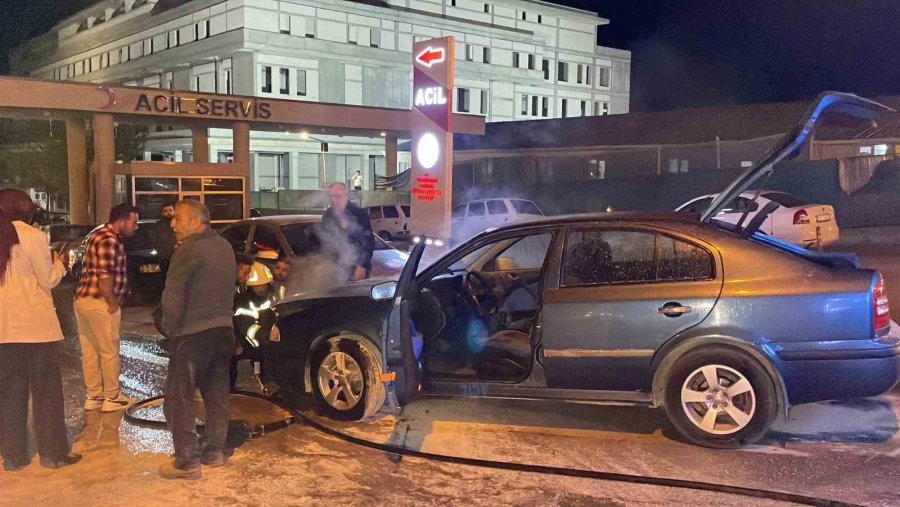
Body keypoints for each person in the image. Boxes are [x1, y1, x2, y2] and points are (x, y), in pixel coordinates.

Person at [0, 189, 82, 471]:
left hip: (5, 331)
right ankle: (52, 454)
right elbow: (47, 280)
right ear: (26, 210)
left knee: (10, 394)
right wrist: (60, 264)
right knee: (47, 392)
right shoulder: (32, 237)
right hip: (36, 330)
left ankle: (13, 456)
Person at [156, 200, 236, 480]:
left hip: (192, 336)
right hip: (223, 332)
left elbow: (173, 296)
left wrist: (168, 328)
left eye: (178, 218)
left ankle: (187, 461)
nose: (172, 224)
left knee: (179, 399)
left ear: (196, 221)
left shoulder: (188, 250)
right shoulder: (224, 247)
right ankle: (214, 451)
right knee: (216, 395)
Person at [74, 203, 139, 413]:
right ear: (121, 221)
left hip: (84, 300)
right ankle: (112, 397)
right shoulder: (109, 240)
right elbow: (105, 275)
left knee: (90, 351)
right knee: (109, 351)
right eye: (133, 222)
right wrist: (112, 302)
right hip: (99, 302)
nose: (135, 226)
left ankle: (94, 396)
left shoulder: (97, 235)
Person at [230, 262, 278, 392]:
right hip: (245, 342)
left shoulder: (271, 298)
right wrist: (266, 338)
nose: (261, 289)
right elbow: (245, 327)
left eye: (263, 285)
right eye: (257, 286)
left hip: (265, 338)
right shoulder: (243, 302)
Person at [320, 182, 375, 281]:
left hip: (356, 266)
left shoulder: (359, 213)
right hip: (335, 266)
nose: (333, 200)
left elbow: (368, 242)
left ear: (346, 196)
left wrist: (362, 266)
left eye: (337, 196)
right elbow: (323, 241)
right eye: (331, 197)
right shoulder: (328, 215)